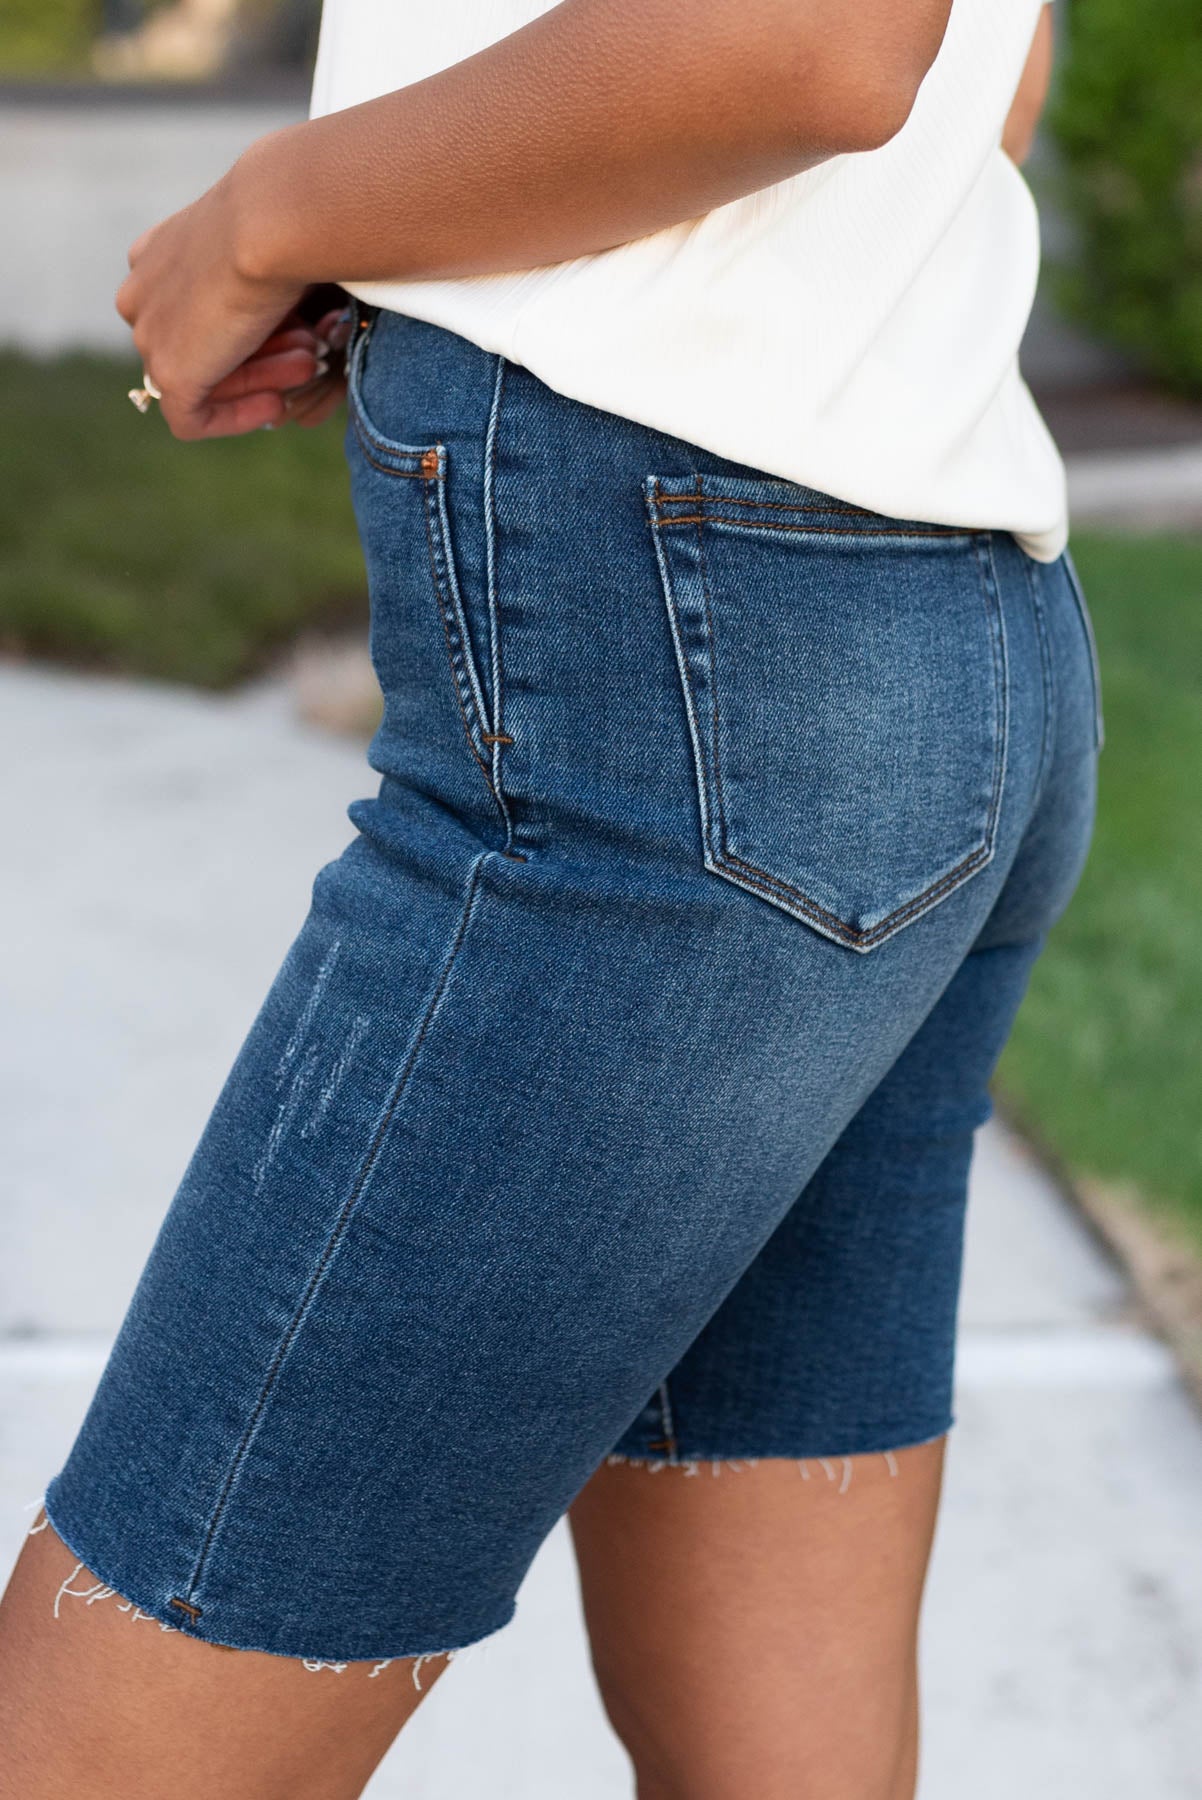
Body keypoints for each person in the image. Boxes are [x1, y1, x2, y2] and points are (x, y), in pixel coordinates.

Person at [0, 3, 1101, 1796]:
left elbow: (810, 39)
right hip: (906, 640)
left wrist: (269, 217)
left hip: (671, 694)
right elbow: (1000, 76)